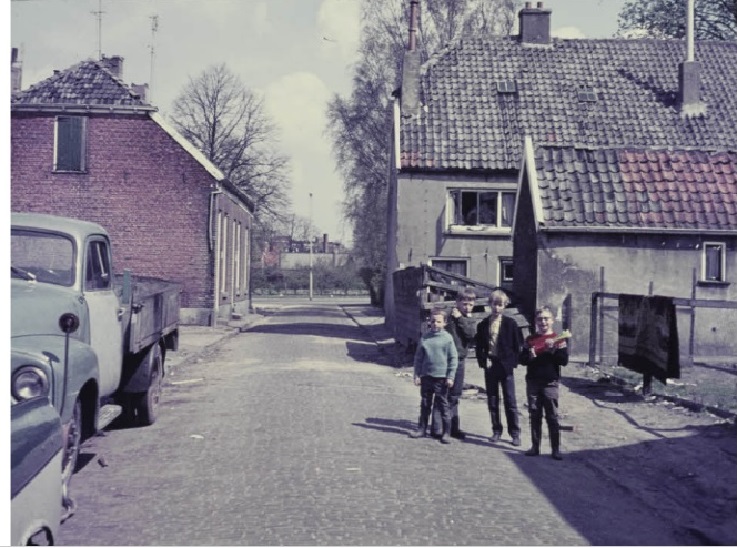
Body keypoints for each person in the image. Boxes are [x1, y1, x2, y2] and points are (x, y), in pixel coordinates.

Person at [519, 305, 569, 460]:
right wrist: (530, 356)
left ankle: (555, 449)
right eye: (540, 319)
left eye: (546, 319)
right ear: (535, 321)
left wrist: (552, 350)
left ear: (552, 320)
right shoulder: (530, 339)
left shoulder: (558, 338)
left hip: (550, 383)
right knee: (534, 414)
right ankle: (535, 447)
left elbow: (564, 361)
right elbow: (522, 360)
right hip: (533, 382)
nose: (543, 322)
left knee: (552, 416)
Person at [475, 289, 523, 446]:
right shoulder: (483, 325)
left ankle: (515, 433)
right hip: (490, 366)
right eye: (494, 304)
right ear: (489, 305)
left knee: (510, 400)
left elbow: (518, 346)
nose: (497, 308)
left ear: (505, 306)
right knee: (493, 399)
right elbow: (479, 347)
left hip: (505, 367)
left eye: (500, 305)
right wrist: (484, 360)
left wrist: (511, 363)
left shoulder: (511, 324)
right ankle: (496, 430)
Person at [431, 289, 478, 440]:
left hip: (459, 360)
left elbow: (471, 335)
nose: (467, 307)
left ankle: (452, 427)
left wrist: (461, 319)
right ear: (457, 303)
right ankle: (437, 428)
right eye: (464, 304)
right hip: (444, 361)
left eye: (470, 304)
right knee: (441, 393)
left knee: (455, 395)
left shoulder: (469, 320)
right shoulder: (448, 317)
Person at [409, 307, 458, 444]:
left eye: (438, 321)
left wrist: (450, 376)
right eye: (433, 321)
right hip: (426, 377)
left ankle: (446, 432)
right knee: (425, 403)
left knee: (443, 405)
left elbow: (453, 358)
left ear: (444, 323)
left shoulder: (448, 339)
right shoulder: (425, 338)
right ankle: (422, 429)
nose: (435, 324)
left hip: (441, 379)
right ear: (429, 322)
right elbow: (418, 358)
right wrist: (417, 375)